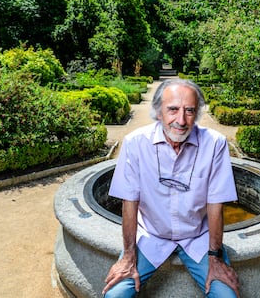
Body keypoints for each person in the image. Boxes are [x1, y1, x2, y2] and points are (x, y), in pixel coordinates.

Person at [102, 78, 240, 297]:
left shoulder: (215, 143)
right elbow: (129, 203)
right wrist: (129, 256)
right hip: (151, 236)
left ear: (197, 114)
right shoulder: (135, 143)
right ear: (158, 112)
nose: (181, 120)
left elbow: (216, 204)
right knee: (115, 295)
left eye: (189, 111)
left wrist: (215, 257)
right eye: (173, 109)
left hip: (197, 236)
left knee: (226, 295)